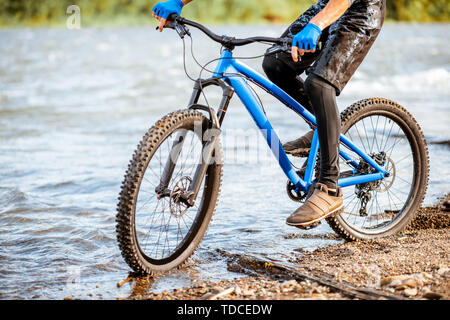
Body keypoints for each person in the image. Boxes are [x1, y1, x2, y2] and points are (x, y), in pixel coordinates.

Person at [152, 0, 386, 228]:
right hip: (328, 5)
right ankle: (320, 129)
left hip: (361, 11)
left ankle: (329, 187)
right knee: (275, 64)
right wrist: (179, 1)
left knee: (319, 84)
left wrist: (315, 26)